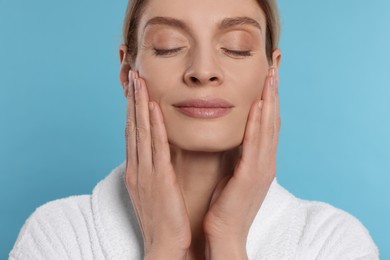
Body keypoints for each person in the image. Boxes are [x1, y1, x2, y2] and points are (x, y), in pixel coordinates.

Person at [10, 0, 379, 259]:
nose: (203, 70)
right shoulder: (58, 236)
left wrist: (229, 242)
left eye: (236, 48)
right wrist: (164, 248)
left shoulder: (332, 243)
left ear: (273, 71)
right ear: (127, 72)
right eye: (168, 46)